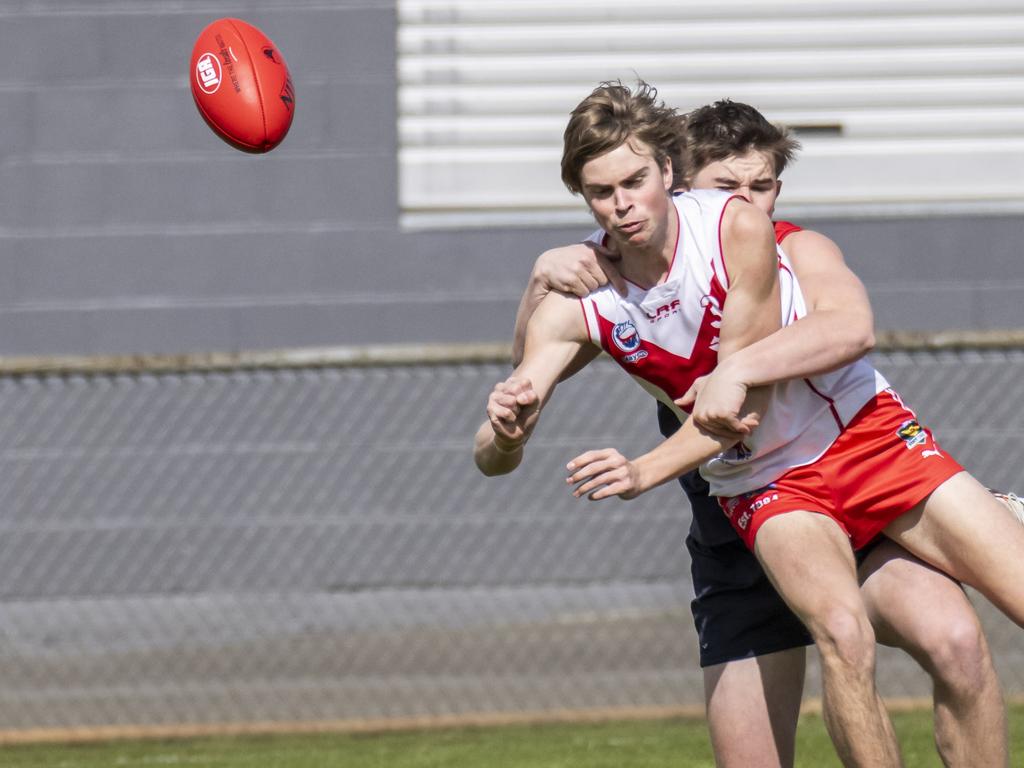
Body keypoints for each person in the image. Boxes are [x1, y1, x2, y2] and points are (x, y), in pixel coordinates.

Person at [474, 81, 1024, 767]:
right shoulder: (584, 290)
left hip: (863, 444)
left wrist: (713, 394)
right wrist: (506, 421)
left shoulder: (747, 232)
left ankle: (965, 522)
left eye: (765, 184)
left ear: (667, 176)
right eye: (601, 190)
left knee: (957, 640)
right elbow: (506, 425)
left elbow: (815, 351)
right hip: (760, 495)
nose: (622, 203)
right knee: (840, 642)